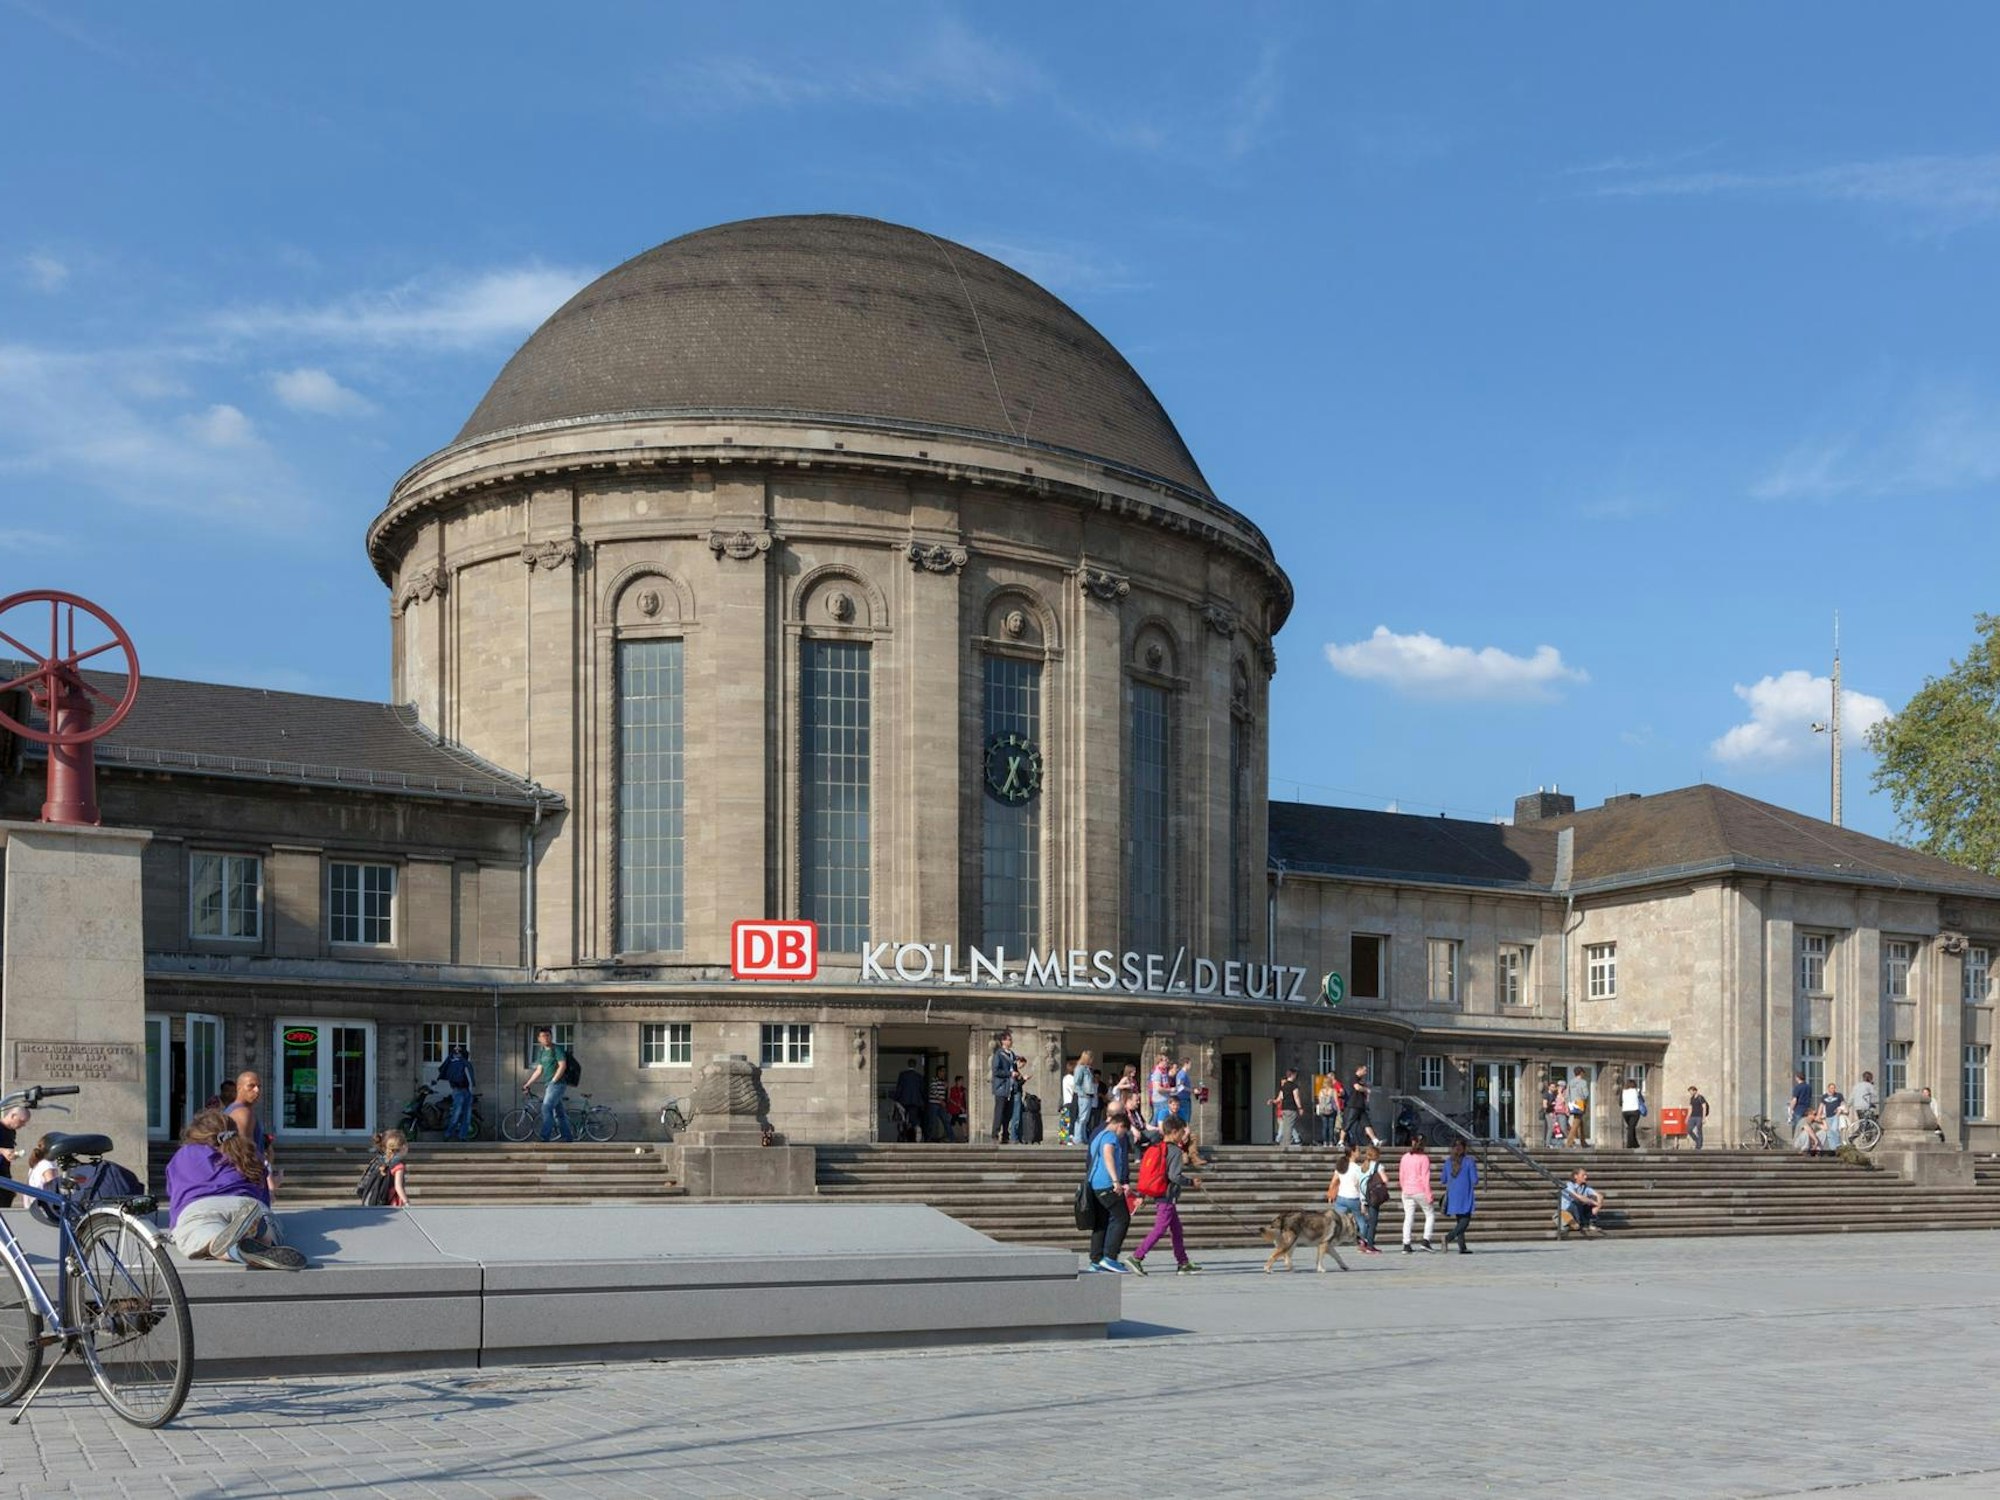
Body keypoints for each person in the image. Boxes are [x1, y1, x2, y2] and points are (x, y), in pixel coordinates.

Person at [165, 1108, 306, 1269]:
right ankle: (263, 1236)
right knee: (268, 1225)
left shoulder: (184, 1154)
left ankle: (233, 1250)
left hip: (200, 1207)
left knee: (206, 1236)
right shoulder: (250, 1152)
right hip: (248, 1206)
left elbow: (175, 1196)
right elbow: (265, 1199)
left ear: (195, 1135)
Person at [1129, 1115, 1203, 1276]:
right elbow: (1174, 1176)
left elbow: (1148, 1173)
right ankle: (1137, 1256)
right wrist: (1192, 1183)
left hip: (1161, 1193)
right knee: (1161, 1228)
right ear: (1174, 1132)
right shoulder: (1175, 1151)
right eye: (1182, 1132)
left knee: (1176, 1229)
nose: (1184, 1135)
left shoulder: (1158, 1147)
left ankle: (1183, 1262)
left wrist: (1142, 1194)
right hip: (1167, 1195)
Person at [1085, 1104, 1135, 1272]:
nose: (1122, 1135)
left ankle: (1096, 1259)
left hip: (1095, 1184)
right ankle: (1110, 1257)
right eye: (1124, 1131)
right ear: (1120, 1125)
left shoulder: (1098, 1135)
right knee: (1122, 1218)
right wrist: (1116, 1181)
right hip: (1106, 1184)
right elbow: (1108, 1156)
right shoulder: (1111, 1137)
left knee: (1101, 1222)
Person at [226, 1070, 280, 1198]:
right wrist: (257, 1180)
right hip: (247, 1181)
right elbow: (246, 1150)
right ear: (239, 1088)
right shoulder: (243, 1113)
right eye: (251, 1086)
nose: (257, 1090)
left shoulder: (236, 1110)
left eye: (259, 1086)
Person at [523, 1026, 575, 1143]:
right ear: (539, 1039)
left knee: (546, 1108)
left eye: (547, 1035)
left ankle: (544, 1136)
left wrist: (553, 1081)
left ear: (551, 1037)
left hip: (557, 1084)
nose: (545, 1038)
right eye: (542, 1036)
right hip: (550, 1085)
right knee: (560, 1113)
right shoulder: (542, 1053)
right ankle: (568, 1137)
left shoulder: (557, 1049)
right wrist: (528, 1083)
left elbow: (562, 1065)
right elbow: (539, 1070)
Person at [1398, 1133, 1437, 1252]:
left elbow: (1401, 1175)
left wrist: (1403, 1187)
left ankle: (1406, 1243)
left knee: (1408, 1217)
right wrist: (1429, 1194)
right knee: (1430, 1214)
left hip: (1407, 1190)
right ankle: (1426, 1240)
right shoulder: (1424, 1158)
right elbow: (1425, 1178)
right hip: (1420, 1190)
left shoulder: (1405, 1157)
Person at [1441, 1138, 1478, 1253]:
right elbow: (1475, 1180)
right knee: (1465, 1222)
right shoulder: (1469, 1161)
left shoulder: (1448, 1162)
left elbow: (1443, 1179)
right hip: (1465, 1195)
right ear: (1465, 1148)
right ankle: (1448, 1237)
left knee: (1459, 1221)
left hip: (1453, 1195)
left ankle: (1462, 1247)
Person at [438, 1043, 476, 1141]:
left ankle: (455, 1135)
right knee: (461, 1115)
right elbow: (470, 1078)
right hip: (462, 1091)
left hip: (460, 1090)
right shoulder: (460, 1063)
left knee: (461, 1115)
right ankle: (452, 1134)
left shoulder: (454, 1063)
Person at [1325, 1148, 1364, 1241]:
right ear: (1352, 1153)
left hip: (1341, 1197)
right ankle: (1363, 1240)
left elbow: (1333, 1181)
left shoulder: (1341, 1166)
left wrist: (1330, 1193)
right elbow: (1360, 1185)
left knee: (1337, 1220)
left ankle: (1330, 1238)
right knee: (1361, 1221)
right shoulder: (1358, 1168)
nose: (1360, 1152)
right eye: (1358, 1150)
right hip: (1354, 1198)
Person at [989, 1031, 1021, 1144]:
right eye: (1009, 1039)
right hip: (1002, 1088)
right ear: (1003, 1041)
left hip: (1011, 1088)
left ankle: (1005, 1135)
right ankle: (994, 1135)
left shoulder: (1012, 1054)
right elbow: (996, 1071)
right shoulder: (999, 1054)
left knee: (1008, 1113)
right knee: (999, 1112)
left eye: (1011, 1039)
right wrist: (1009, 1074)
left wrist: (1020, 1076)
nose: (1010, 1041)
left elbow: (1015, 1069)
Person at [1355, 1144, 1386, 1254]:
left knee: (1366, 1222)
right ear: (1377, 1156)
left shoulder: (1362, 1167)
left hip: (1363, 1196)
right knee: (1373, 1221)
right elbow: (1385, 1179)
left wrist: (1362, 1201)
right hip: (1373, 1196)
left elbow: (1358, 1183)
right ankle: (1370, 1245)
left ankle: (1362, 1243)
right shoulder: (1378, 1166)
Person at [1559, 1167, 1604, 1239]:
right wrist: (1594, 1202)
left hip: (1579, 1210)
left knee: (1592, 1201)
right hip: (1568, 1211)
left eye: (1586, 1175)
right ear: (1576, 1176)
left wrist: (1597, 1206)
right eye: (1583, 1175)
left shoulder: (1585, 1187)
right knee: (1577, 1202)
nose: (1586, 1177)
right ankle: (1580, 1223)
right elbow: (1578, 1197)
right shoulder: (1569, 1185)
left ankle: (1589, 1222)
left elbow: (1599, 1195)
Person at [373, 1127, 410, 1207]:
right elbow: (398, 1186)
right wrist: (406, 1201)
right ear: (403, 1147)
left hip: (382, 1199)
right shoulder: (399, 1165)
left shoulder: (384, 1160)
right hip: (393, 1201)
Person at [0, 1102, 28, 1208]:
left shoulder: (11, 1132)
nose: (22, 1125)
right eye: (21, 1121)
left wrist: (12, 1155)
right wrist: (3, 1151)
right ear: (13, 1115)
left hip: (4, 1173)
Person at [1270, 1066, 1306, 1147]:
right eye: (1295, 1074)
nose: (1296, 1076)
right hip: (1291, 1108)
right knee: (1290, 1125)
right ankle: (1287, 1142)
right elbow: (1296, 1097)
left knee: (1286, 1125)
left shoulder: (1284, 1086)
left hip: (1284, 1108)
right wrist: (1300, 1108)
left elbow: (1279, 1098)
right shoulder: (1294, 1086)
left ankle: (1284, 1142)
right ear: (1293, 1075)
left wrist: (1273, 1101)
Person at [894, 1057, 927, 1143]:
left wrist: (896, 1099)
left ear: (908, 1065)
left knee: (903, 1119)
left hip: (903, 1101)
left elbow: (899, 1088)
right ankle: (917, 1133)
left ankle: (903, 1134)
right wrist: (924, 1101)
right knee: (914, 1119)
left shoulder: (903, 1075)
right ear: (915, 1065)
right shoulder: (919, 1076)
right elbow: (922, 1090)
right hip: (915, 1102)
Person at [1346, 1065, 1380, 1147]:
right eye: (1364, 1071)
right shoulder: (1354, 1078)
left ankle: (1375, 1140)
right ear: (1359, 1070)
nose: (1366, 1073)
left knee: (1366, 1123)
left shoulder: (1361, 1080)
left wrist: (1366, 1096)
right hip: (1354, 1104)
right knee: (1348, 1124)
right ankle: (1340, 1141)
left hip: (1361, 1106)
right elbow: (1357, 1088)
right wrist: (1366, 1090)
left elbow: (1364, 1092)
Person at [1071, 1051, 1098, 1145]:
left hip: (1089, 1095)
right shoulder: (1080, 1069)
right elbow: (1077, 1083)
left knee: (1085, 1118)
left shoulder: (1088, 1069)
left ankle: (1083, 1137)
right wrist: (1082, 1093)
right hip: (1084, 1096)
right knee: (1082, 1117)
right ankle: (1077, 1138)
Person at [1568, 1067, 1592, 1147]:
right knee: (1576, 1122)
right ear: (1581, 1073)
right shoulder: (1583, 1082)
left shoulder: (1571, 1082)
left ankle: (1583, 1142)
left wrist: (1568, 1103)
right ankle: (1569, 1142)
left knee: (1580, 1122)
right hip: (1579, 1102)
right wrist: (1585, 1101)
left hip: (1572, 1102)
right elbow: (1586, 1094)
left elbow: (1567, 1093)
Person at [1149, 1054, 1175, 1127]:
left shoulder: (1164, 1071)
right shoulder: (1157, 1072)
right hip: (1160, 1100)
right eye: (1165, 1060)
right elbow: (1158, 1088)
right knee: (1159, 1121)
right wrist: (1170, 1090)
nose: (1167, 1061)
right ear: (1160, 1061)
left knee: (1158, 1121)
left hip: (1164, 1099)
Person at [1820, 1082, 1846, 1151]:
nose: (1833, 1089)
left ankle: (1838, 1145)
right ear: (1828, 1088)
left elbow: (1843, 1103)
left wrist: (1840, 1110)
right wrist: (1819, 1115)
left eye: (1834, 1088)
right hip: (1828, 1116)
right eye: (1831, 1088)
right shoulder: (1824, 1096)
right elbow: (1821, 1106)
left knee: (1834, 1130)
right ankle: (1833, 1149)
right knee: (1829, 1133)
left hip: (1835, 1115)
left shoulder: (1839, 1095)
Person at [1315, 1074, 1340, 1146]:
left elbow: (1319, 1102)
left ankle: (1325, 1142)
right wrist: (1338, 1109)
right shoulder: (1333, 1091)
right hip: (1331, 1110)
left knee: (1324, 1127)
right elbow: (1336, 1101)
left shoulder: (1321, 1092)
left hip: (1323, 1111)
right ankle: (1331, 1142)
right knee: (1331, 1127)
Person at [1620, 1077, 1645, 1150]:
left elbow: (1620, 1103)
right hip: (1635, 1111)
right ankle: (1629, 1144)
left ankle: (1635, 1144)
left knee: (1631, 1126)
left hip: (1625, 1112)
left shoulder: (1623, 1091)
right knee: (1631, 1127)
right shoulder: (1637, 1091)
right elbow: (1642, 1100)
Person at [927, 1066, 950, 1144]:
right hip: (934, 1103)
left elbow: (944, 1092)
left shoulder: (943, 1081)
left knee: (946, 1120)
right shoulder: (934, 1080)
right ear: (939, 1072)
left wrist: (946, 1087)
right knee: (932, 1122)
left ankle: (951, 1138)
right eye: (943, 1071)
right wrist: (941, 1101)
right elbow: (934, 1091)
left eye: (945, 1071)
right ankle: (929, 1138)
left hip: (941, 1104)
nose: (944, 1073)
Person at [1545, 1078, 1567, 1149]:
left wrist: (1560, 1093)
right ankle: (1557, 1144)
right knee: (1557, 1129)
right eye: (1559, 1086)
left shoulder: (1565, 1093)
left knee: (1563, 1128)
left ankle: (1561, 1143)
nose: (1560, 1087)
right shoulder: (1554, 1094)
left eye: (1562, 1086)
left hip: (1562, 1113)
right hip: (1555, 1113)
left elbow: (1564, 1101)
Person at [1686, 1085, 1709, 1150]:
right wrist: (1687, 1118)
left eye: (1691, 1091)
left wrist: (1704, 1118)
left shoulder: (1701, 1098)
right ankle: (1697, 1141)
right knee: (1689, 1130)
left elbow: (1704, 1107)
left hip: (1699, 1117)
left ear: (1695, 1091)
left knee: (1699, 1131)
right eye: (1689, 1091)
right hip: (1692, 1117)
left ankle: (1699, 1146)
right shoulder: (1692, 1098)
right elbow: (1690, 1108)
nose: (1690, 1093)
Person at [946, 1075, 968, 1141]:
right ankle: (950, 1136)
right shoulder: (952, 1089)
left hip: (961, 1110)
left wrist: (965, 1108)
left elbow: (965, 1100)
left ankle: (966, 1136)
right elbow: (950, 1099)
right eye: (960, 1081)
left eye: (962, 1081)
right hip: (954, 1110)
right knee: (952, 1123)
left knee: (963, 1122)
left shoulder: (963, 1090)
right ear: (957, 1081)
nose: (962, 1082)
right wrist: (959, 1106)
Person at [1173, 1058, 1194, 1124]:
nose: (1191, 1066)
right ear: (1186, 1064)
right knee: (1184, 1120)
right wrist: (1192, 1090)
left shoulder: (1184, 1074)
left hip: (1185, 1099)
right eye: (1190, 1064)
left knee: (1185, 1120)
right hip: (1183, 1099)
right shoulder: (1182, 1074)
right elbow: (1180, 1087)